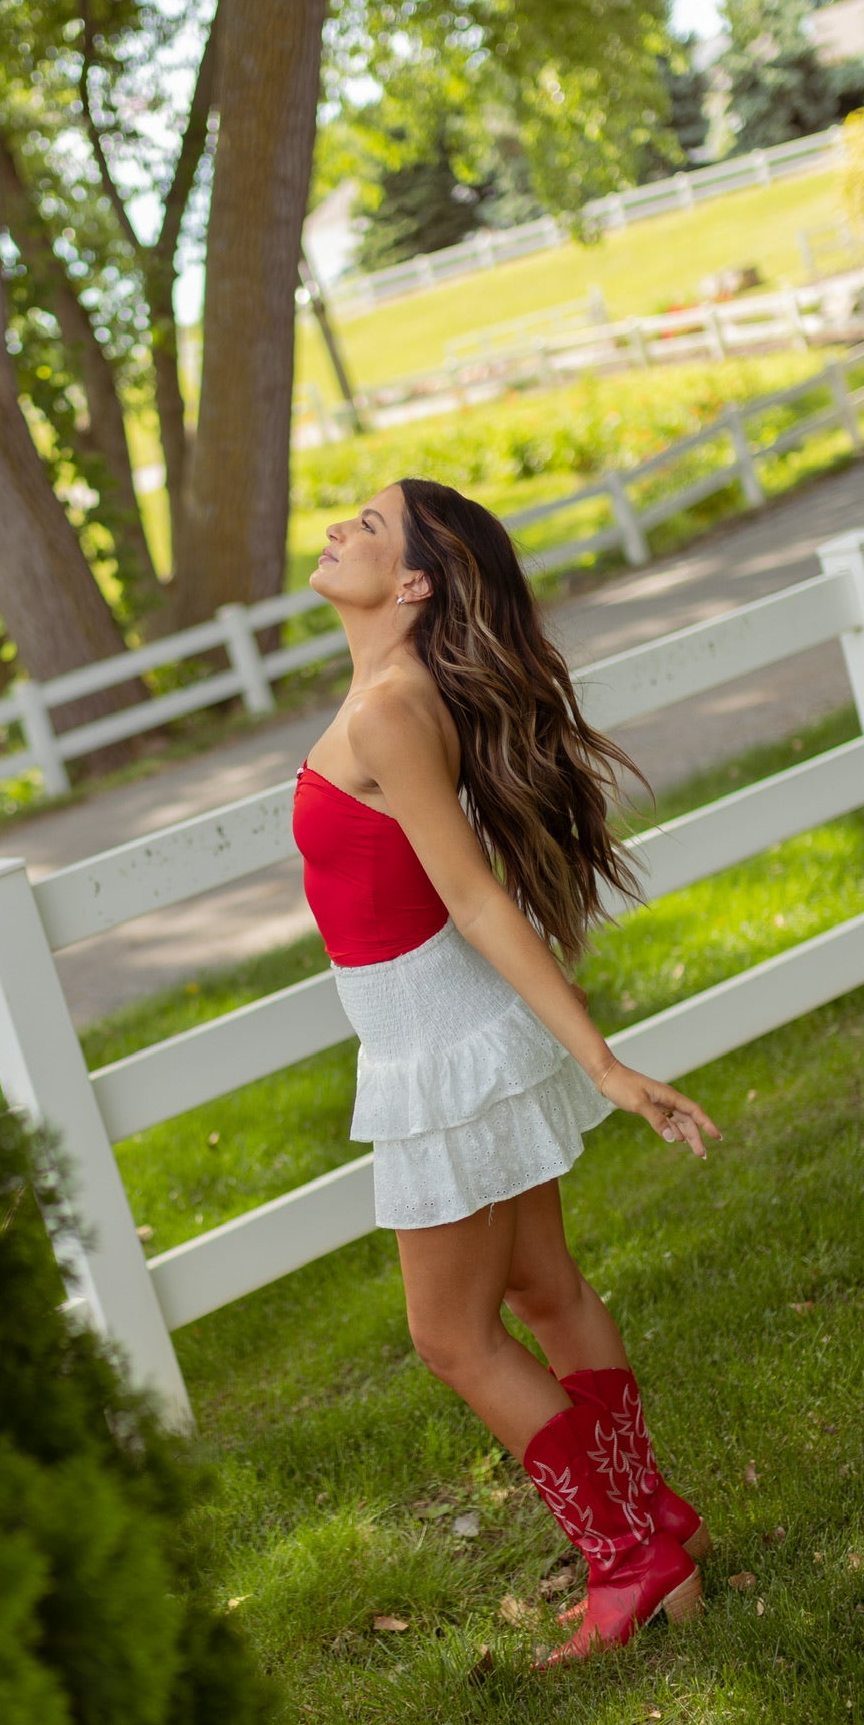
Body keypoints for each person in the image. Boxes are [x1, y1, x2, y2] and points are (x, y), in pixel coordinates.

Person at [294, 477, 721, 1665]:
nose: (339, 529)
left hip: (439, 1048)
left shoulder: (389, 705)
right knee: (544, 1287)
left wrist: (604, 1060)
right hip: (455, 1028)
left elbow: (474, 898)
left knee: (454, 1338)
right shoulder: (395, 691)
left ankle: (632, 1561)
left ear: (416, 582)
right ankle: (656, 1526)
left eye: (367, 528)